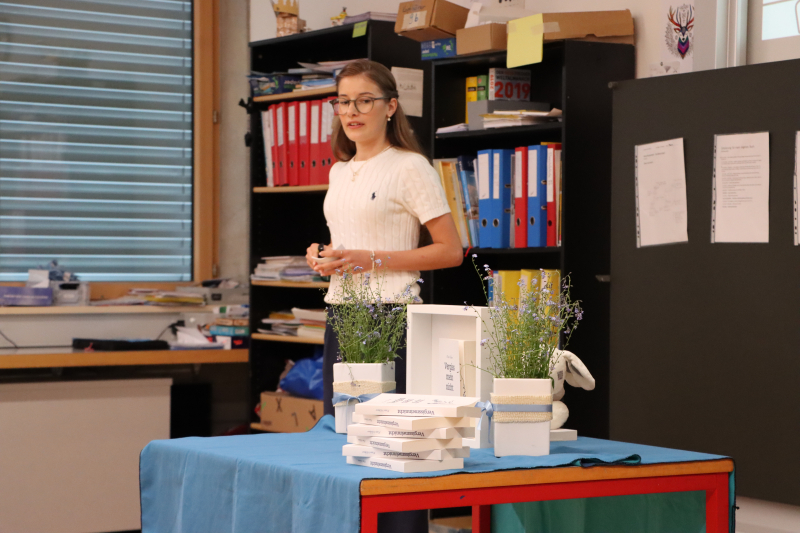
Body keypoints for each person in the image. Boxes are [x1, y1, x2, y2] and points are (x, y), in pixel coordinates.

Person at [305, 61, 461, 531]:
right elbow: (352, 243)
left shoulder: (410, 166)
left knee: (392, 447)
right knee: (344, 439)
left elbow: (450, 251)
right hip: (342, 314)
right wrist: (325, 256)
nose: (352, 111)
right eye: (343, 101)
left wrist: (370, 259)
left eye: (364, 101)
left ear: (390, 106)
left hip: (390, 316)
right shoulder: (339, 171)